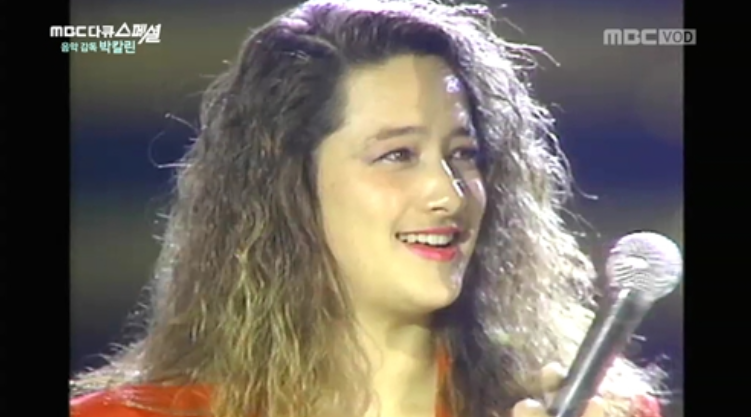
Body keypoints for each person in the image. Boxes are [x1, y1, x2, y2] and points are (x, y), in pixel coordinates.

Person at [70, 1, 666, 417]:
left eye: (463, 154)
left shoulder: (598, 410)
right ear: (291, 184)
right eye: (397, 155)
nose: (448, 193)